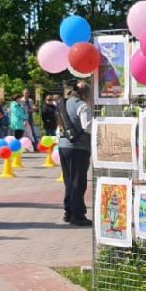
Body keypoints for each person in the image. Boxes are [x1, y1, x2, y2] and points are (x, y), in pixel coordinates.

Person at [56, 80, 92, 227]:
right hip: (78, 147)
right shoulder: (82, 106)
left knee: (69, 180)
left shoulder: (63, 104)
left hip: (63, 146)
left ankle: (68, 212)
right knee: (79, 181)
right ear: (84, 94)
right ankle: (78, 214)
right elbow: (88, 126)